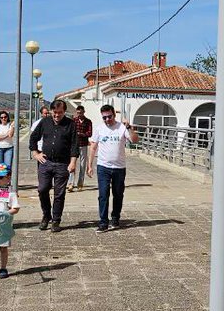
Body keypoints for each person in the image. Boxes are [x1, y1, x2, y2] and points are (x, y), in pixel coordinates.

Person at [28, 99, 78, 232]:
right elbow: (33, 138)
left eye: (60, 113)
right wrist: (35, 154)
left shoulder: (71, 124)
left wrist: (73, 162)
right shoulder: (44, 122)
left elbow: (74, 145)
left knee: (59, 194)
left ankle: (56, 220)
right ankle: (46, 215)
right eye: (54, 112)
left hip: (63, 163)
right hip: (46, 161)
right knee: (42, 189)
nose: (57, 115)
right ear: (51, 111)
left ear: (64, 112)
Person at [88, 104, 140, 232]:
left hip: (119, 168)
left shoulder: (122, 128)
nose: (107, 120)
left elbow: (135, 140)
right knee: (103, 194)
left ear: (114, 115)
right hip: (103, 167)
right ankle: (103, 222)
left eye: (109, 117)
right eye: (104, 118)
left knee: (118, 194)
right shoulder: (99, 129)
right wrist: (90, 165)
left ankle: (115, 218)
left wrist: (129, 127)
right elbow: (93, 147)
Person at [70, 105, 93, 192]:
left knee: (82, 165)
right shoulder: (73, 121)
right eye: (78, 113)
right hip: (74, 145)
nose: (79, 114)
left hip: (83, 145)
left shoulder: (88, 121)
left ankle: (80, 183)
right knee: (72, 164)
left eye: (81, 113)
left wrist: (82, 134)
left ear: (84, 112)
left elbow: (90, 133)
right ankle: (71, 183)